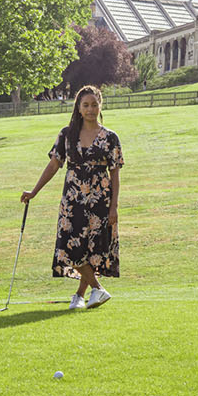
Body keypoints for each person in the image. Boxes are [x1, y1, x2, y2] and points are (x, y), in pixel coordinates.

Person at [21, 84, 123, 310]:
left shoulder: (110, 138)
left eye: (94, 105)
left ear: (100, 106)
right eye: (85, 105)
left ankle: (80, 296)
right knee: (68, 246)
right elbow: (54, 164)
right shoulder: (67, 134)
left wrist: (113, 207)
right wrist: (34, 191)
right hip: (73, 199)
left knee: (93, 248)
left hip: (100, 199)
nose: (90, 109)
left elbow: (115, 174)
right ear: (78, 107)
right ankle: (97, 289)